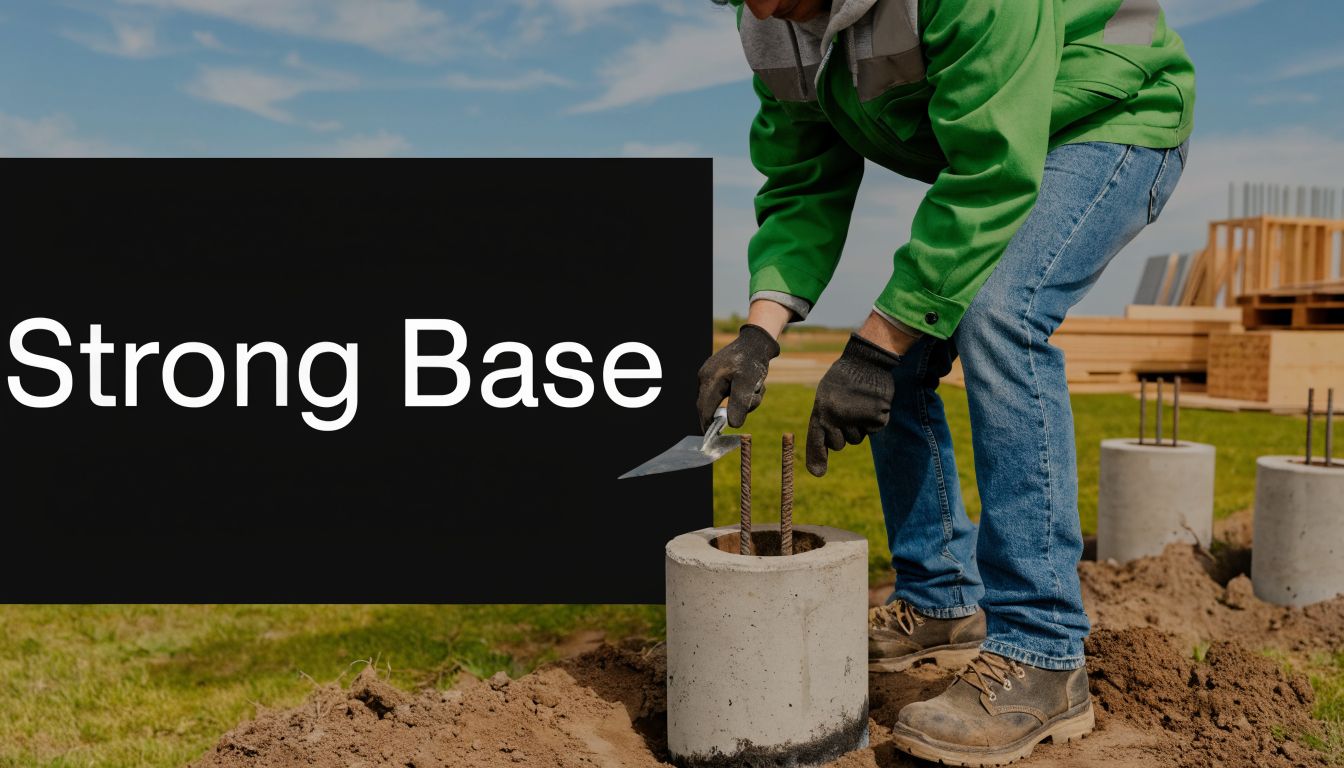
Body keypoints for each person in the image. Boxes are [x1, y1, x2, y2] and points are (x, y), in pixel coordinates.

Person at [697, 0, 1194, 763]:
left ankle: (1044, 651)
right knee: (901, 350)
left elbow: (994, 171)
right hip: (1002, 152)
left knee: (1001, 317)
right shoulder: (767, 21)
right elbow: (803, 179)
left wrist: (873, 349)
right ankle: (940, 599)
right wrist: (760, 332)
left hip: (1109, 118)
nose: (768, 9)